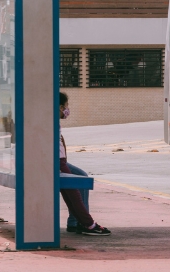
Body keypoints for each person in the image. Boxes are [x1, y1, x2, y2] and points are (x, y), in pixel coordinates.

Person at [59, 92, 111, 236]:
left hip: (60, 161)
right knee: (73, 191)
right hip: (56, 162)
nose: (67, 110)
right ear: (58, 106)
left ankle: (75, 222)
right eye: (65, 106)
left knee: (81, 177)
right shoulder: (49, 122)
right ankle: (88, 224)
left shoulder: (53, 121)